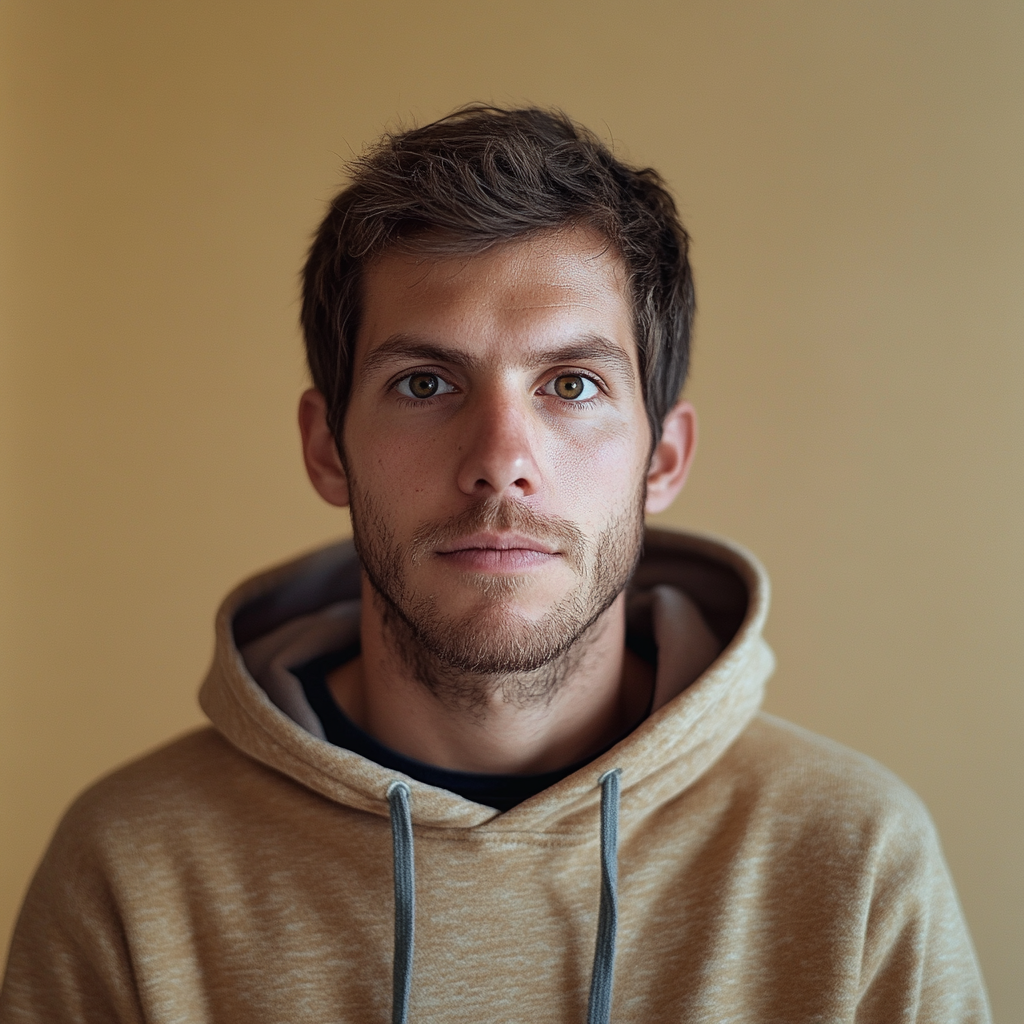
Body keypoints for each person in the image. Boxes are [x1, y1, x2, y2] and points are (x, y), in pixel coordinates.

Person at [0, 106, 990, 1024]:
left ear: (664, 459)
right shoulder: (131, 870)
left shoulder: (851, 859)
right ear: (325, 448)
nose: (498, 461)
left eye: (571, 383)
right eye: (425, 381)